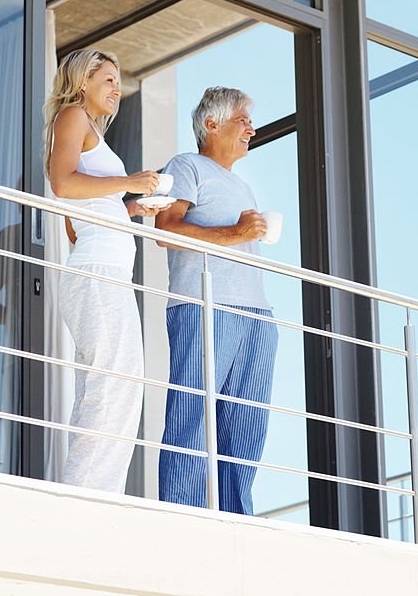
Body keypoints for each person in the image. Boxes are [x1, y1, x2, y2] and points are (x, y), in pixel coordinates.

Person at [44, 49, 169, 492]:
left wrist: (128, 208)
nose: (117, 88)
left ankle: (95, 494)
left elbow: (74, 218)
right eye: (109, 79)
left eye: (118, 81)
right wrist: (128, 183)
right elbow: (62, 185)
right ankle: (86, 497)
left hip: (102, 271)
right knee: (111, 386)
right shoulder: (73, 115)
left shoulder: (88, 131)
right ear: (83, 83)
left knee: (119, 386)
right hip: (97, 274)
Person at [155, 86, 278, 515]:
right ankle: (181, 516)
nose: (251, 128)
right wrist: (234, 235)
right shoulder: (186, 166)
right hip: (204, 307)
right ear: (212, 123)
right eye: (242, 120)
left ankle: (235, 521)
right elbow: (165, 229)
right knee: (191, 415)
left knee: (246, 427)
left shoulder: (242, 185)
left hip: (256, 314)